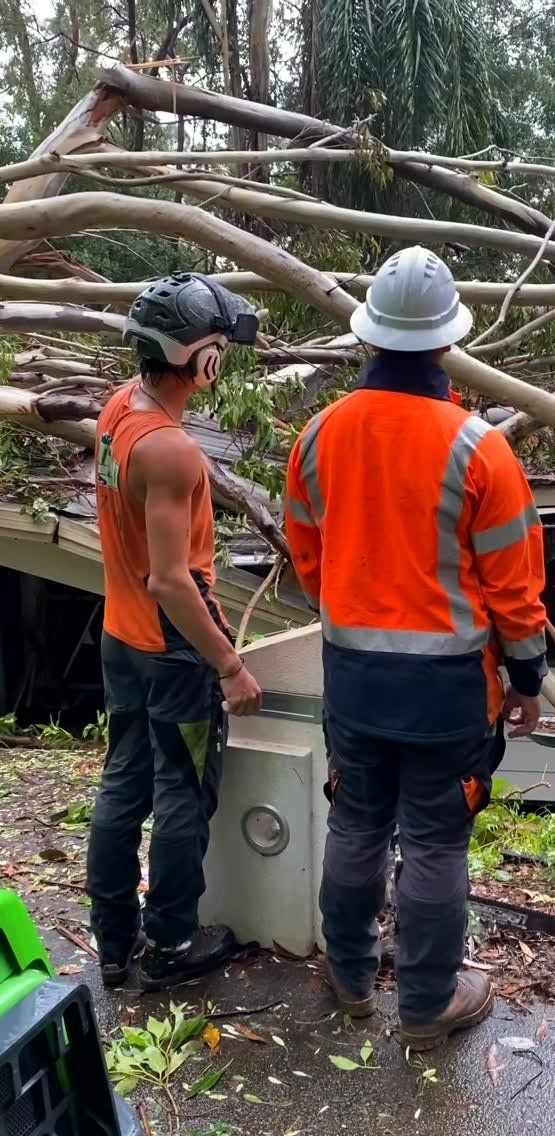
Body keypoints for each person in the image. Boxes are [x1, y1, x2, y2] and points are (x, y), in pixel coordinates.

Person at [284, 246, 548, 1050]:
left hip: (356, 682)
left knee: (358, 824)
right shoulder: (481, 449)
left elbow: (309, 564)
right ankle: (429, 1004)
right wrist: (529, 675)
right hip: (449, 693)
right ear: (445, 344)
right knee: (434, 838)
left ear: (370, 337)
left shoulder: (317, 437)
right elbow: (512, 588)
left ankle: (352, 980)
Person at [87, 272, 262, 991]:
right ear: (203, 358)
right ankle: (170, 947)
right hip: (172, 646)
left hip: (122, 638)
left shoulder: (117, 410)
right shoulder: (170, 450)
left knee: (122, 784)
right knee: (183, 793)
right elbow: (170, 578)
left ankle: (113, 942)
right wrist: (228, 664)